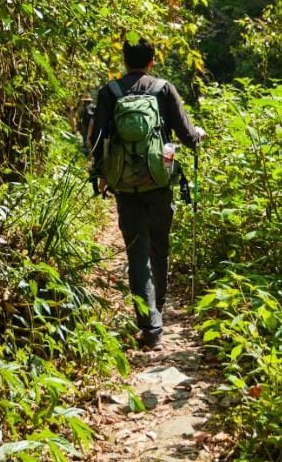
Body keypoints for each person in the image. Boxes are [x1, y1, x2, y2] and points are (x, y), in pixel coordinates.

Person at [90, 38, 205, 351]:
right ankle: (158, 311)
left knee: (137, 252)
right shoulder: (164, 89)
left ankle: (150, 324)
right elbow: (187, 135)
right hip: (159, 180)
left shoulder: (109, 92)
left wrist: (100, 175)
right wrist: (198, 136)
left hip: (124, 185)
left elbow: (97, 138)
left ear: (124, 60)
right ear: (153, 60)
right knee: (159, 246)